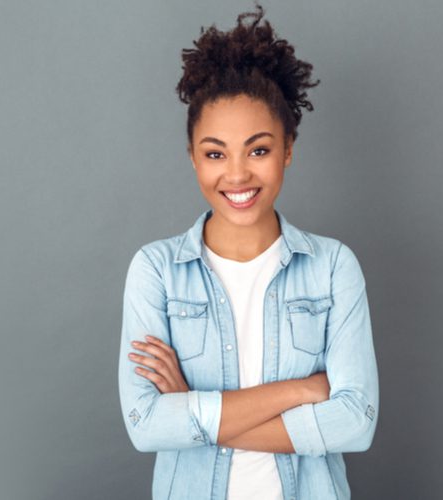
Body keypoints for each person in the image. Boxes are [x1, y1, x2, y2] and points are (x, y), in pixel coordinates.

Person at [118, 3, 379, 499]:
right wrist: (301, 390)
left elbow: (355, 424)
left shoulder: (332, 267)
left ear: (287, 149)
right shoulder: (156, 271)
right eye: (215, 153)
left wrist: (191, 407)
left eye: (258, 150)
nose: (236, 175)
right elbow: (146, 425)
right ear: (193, 157)